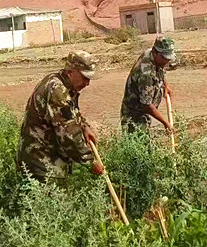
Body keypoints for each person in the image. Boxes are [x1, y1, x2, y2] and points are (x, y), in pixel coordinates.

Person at [16, 50, 103, 182]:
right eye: (85, 77)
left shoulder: (62, 82)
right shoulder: (57, 90)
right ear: (70, 72)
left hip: (47, 159)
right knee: (50, 201)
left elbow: (71, 112)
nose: (87, 83)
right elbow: (69, 134)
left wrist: (84, 126)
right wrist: (90, 162)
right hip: (41, 163)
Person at [120, 36, 176, 134]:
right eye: (163, 58)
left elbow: (160, 69)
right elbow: (147, 105)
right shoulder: (146, 75)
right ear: (155, 52)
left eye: (168, 58)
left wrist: (165, 85)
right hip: (134, 115)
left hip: (145, 110)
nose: (166, 61)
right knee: (139, 143)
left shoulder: (150, 53)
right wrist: (166, 123)